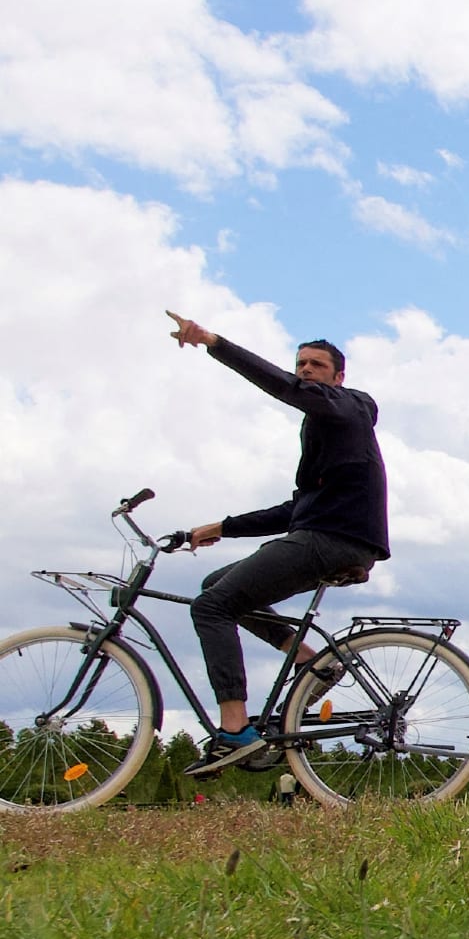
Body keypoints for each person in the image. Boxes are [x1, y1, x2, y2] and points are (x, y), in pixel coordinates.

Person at [166, 311, 390, 777]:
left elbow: (286, 388)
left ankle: (234, 730)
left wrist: (213, 342)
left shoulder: (348, 407)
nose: (305, 371)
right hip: (321, 533)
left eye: (316, 366)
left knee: (211, 608)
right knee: (216, 585)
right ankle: (314, 662)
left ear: (338, 377)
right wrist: (220, 528)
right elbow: (296, 510)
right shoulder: (323, 433)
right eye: (301, 364)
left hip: (333, 541)